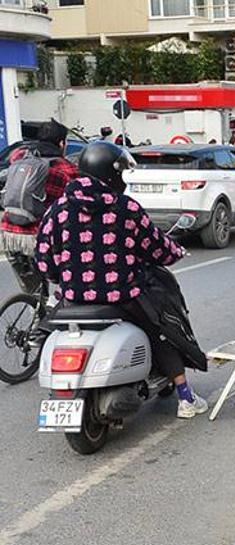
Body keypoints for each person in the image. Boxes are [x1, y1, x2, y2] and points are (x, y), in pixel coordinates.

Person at [34, 142, 208, 418]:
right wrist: (175, 252)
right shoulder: (125, 208)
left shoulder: (59, 208)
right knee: (162, 330)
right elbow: (156, 247)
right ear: (111, 173)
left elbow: (43, 259)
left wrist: (63, 279)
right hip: (122, 297)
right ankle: (186, 398)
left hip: (73, 300)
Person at [0, 119, 78, 296]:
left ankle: (35, 304)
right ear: (61, 143)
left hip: (9, 233)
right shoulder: (65, 168)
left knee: (34, 292)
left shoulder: (19, 157)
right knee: (71, 272)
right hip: (39, 238)